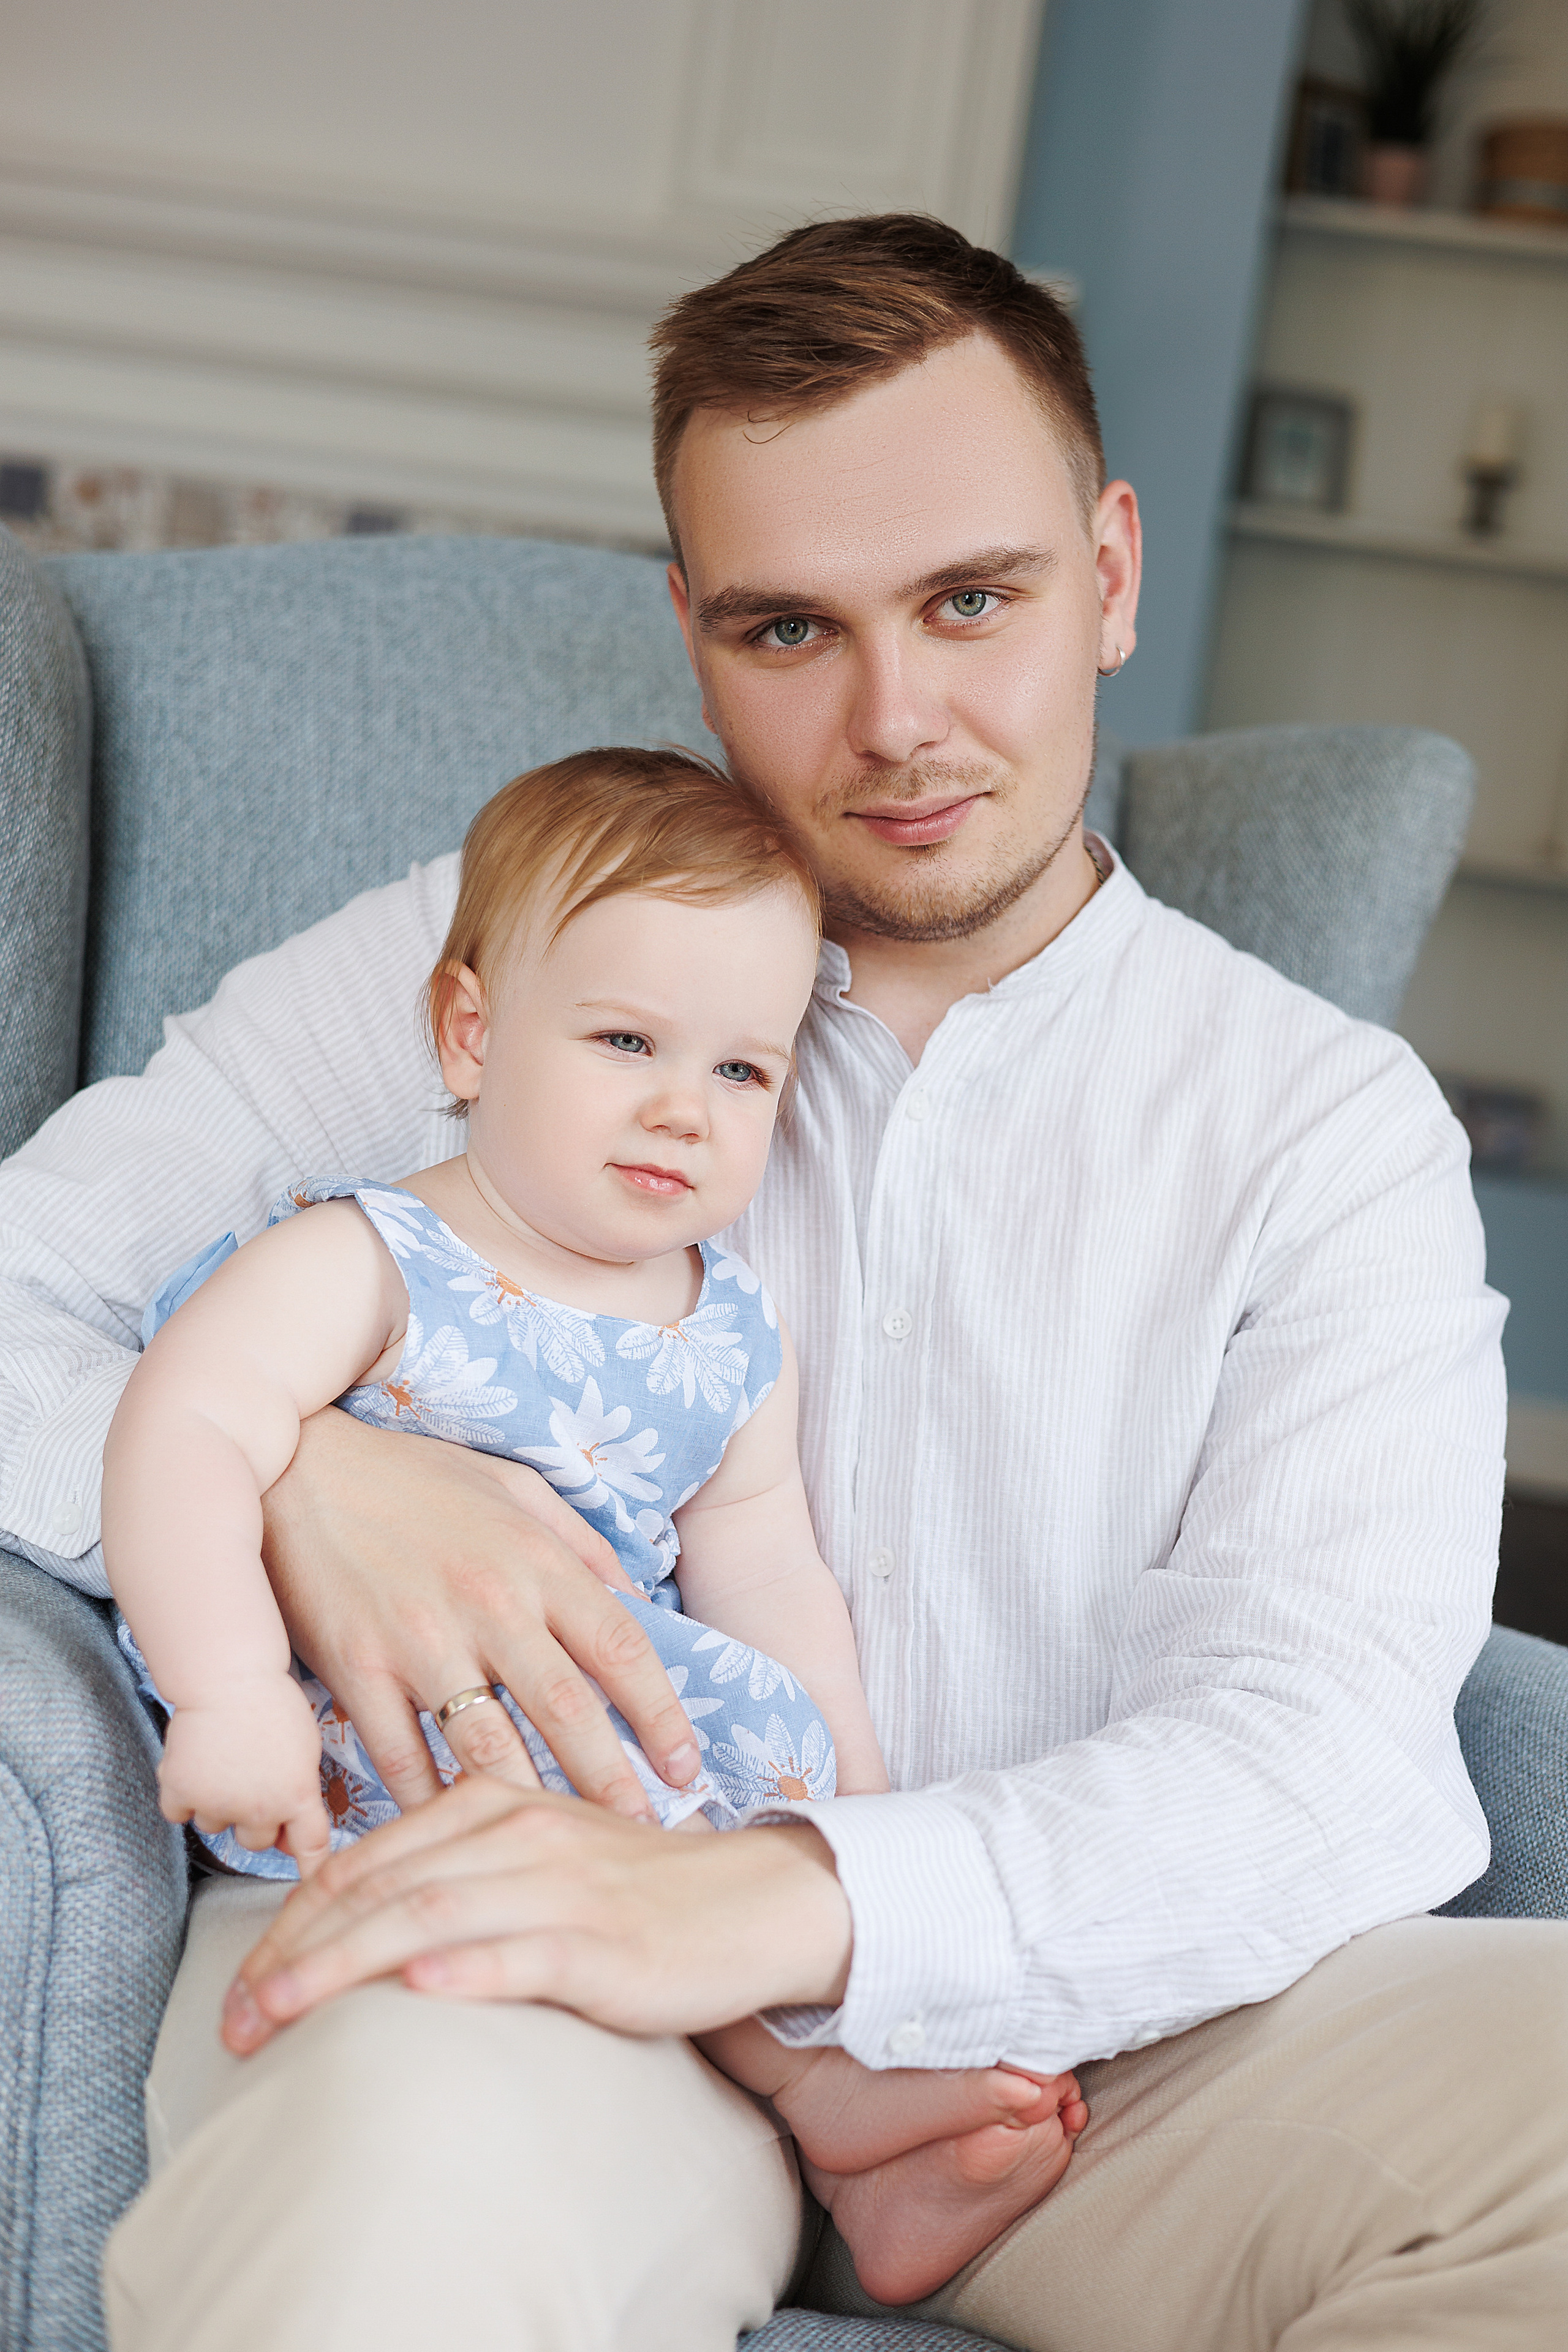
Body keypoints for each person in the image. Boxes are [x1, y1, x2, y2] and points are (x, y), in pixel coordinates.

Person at [3, 214, 1566, 2351]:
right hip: (532, 1992)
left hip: (1131, 2055)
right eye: (786, 630)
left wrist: (784, 1902)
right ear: (689, 629)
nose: (896, 720)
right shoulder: (470, 965)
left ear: (1112, 571)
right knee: (394, 2220)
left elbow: (1314, 1749)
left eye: (973, 601)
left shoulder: (1321, 1130)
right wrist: (286, 1479)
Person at [102, 743, 1086, 2300]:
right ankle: (814, 2119)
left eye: (739, 1071)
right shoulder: (373, 1256)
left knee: (707, 1875)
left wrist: (863, 1827)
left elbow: (767, 1572)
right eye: (626, 1040)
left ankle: (837, 2128)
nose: (682, 1112)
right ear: (471, 1031)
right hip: (394, 1748)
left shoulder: (727, 1328)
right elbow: (187, 1427)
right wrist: (226, 1691)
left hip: (617, 1753)